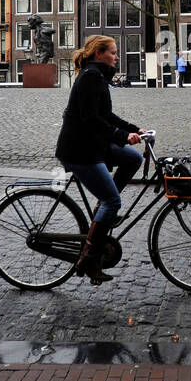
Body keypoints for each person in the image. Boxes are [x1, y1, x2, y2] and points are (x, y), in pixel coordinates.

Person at [55, 35, 148, 285]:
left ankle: (101, 213)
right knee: (112, 200)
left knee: (132, 159)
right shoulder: (90, 78)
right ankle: (88, 258)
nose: (117, 57)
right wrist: (121, 136)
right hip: (79, 150)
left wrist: (133, 129)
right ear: (99, 54)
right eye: (113, 53)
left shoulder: (96, 77)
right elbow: (91, 120)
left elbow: (105, 114)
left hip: (91, 144)